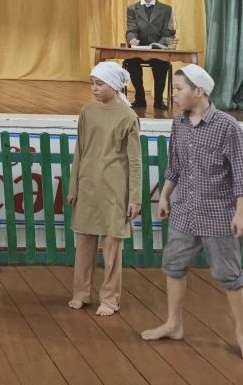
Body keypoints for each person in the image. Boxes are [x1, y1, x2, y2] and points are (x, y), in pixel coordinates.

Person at [141, 65, 243, 363]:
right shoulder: (178, 124)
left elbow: (242, 175)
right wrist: (165, 196)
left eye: (179, 88)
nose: (173, 94)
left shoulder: (227, 126)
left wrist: (241, 214)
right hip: (185, 210)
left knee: (229, 275)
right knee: (173, 264)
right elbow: (175, 165)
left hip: (219, 213)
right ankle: (174, 324)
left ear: (199, 91)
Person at [67, 62, 142, 316]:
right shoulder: (87, 112)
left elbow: (135, 161)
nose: (94, 88)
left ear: (114, 85)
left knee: (112, 248)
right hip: (88, 186)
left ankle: (109, 299)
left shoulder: (128, 117)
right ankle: (81, 293)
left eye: (99, 83)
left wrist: (134, 198)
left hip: (114, 190)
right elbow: (79, 151)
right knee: (84, 244)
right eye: (92, 83)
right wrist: (74, 186)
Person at [122, 0, 177, 110]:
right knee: (131, 63)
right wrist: (132, 39)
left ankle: (159, 100)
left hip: (158, 49)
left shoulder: (166, 9)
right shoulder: (132, 9)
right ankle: (140, 98)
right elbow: (131, 29)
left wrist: (157, 46)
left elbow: (168, 33)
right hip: (139, 50)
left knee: (161, 65)